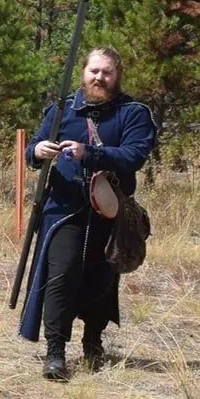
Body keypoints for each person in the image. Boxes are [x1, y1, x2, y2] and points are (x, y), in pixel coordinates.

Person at [19, 46, 157, 380]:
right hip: (63, 208)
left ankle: (93, 341)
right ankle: (55, 351)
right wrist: (37, 150)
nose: (99, 77)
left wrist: (91, 154)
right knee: (61, 275)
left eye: (106, 72)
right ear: (84, 72)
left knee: (101, 279)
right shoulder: (61, 110)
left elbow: (134, 155)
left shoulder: (133, 112)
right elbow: (32, 149)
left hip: (110, 211)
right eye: (94, 71)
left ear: (117, 74)